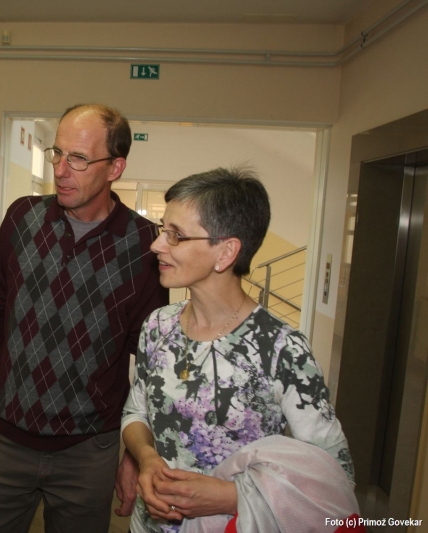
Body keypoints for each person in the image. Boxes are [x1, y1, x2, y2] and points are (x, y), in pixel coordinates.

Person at [0, 103, 169, 533]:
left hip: (89, 452)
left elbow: (150, 362)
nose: (61, 170)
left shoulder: (145, 245)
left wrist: (133, 452)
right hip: (7, 441)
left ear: (115, 167)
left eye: (79, 159)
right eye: (58, 153)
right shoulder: (22, 218)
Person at [121, 167, 354, 533]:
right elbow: (137, 411)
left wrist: (230, 496)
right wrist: (147, 458)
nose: (157, 245)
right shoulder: (158, 326)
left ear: (226, 251)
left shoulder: (281, 349)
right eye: (162, 230)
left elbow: (335, 476)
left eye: (176, 235)